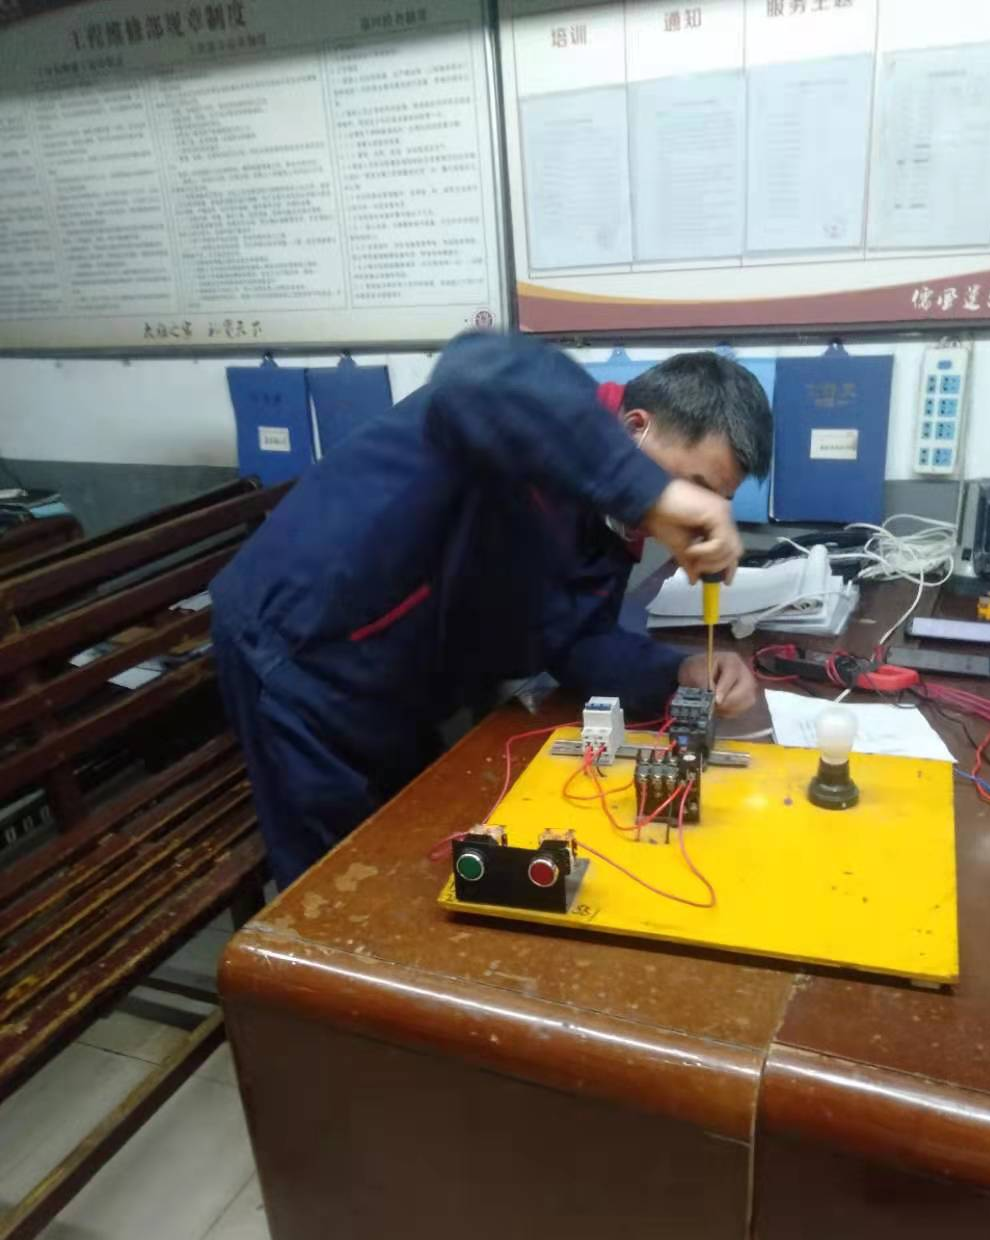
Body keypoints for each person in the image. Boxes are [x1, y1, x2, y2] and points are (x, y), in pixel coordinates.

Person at [210, 332, 773, 888]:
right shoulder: (531, 420)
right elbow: (474, 367)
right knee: (333, 885)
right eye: (693, 485)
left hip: (403, 679)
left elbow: (575, 640)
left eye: (715, 499)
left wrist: (677, 672)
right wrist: (648, 492)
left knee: (416, 857)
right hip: (297, 652)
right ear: (633, 428)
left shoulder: (611, 524)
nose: (695, 512)